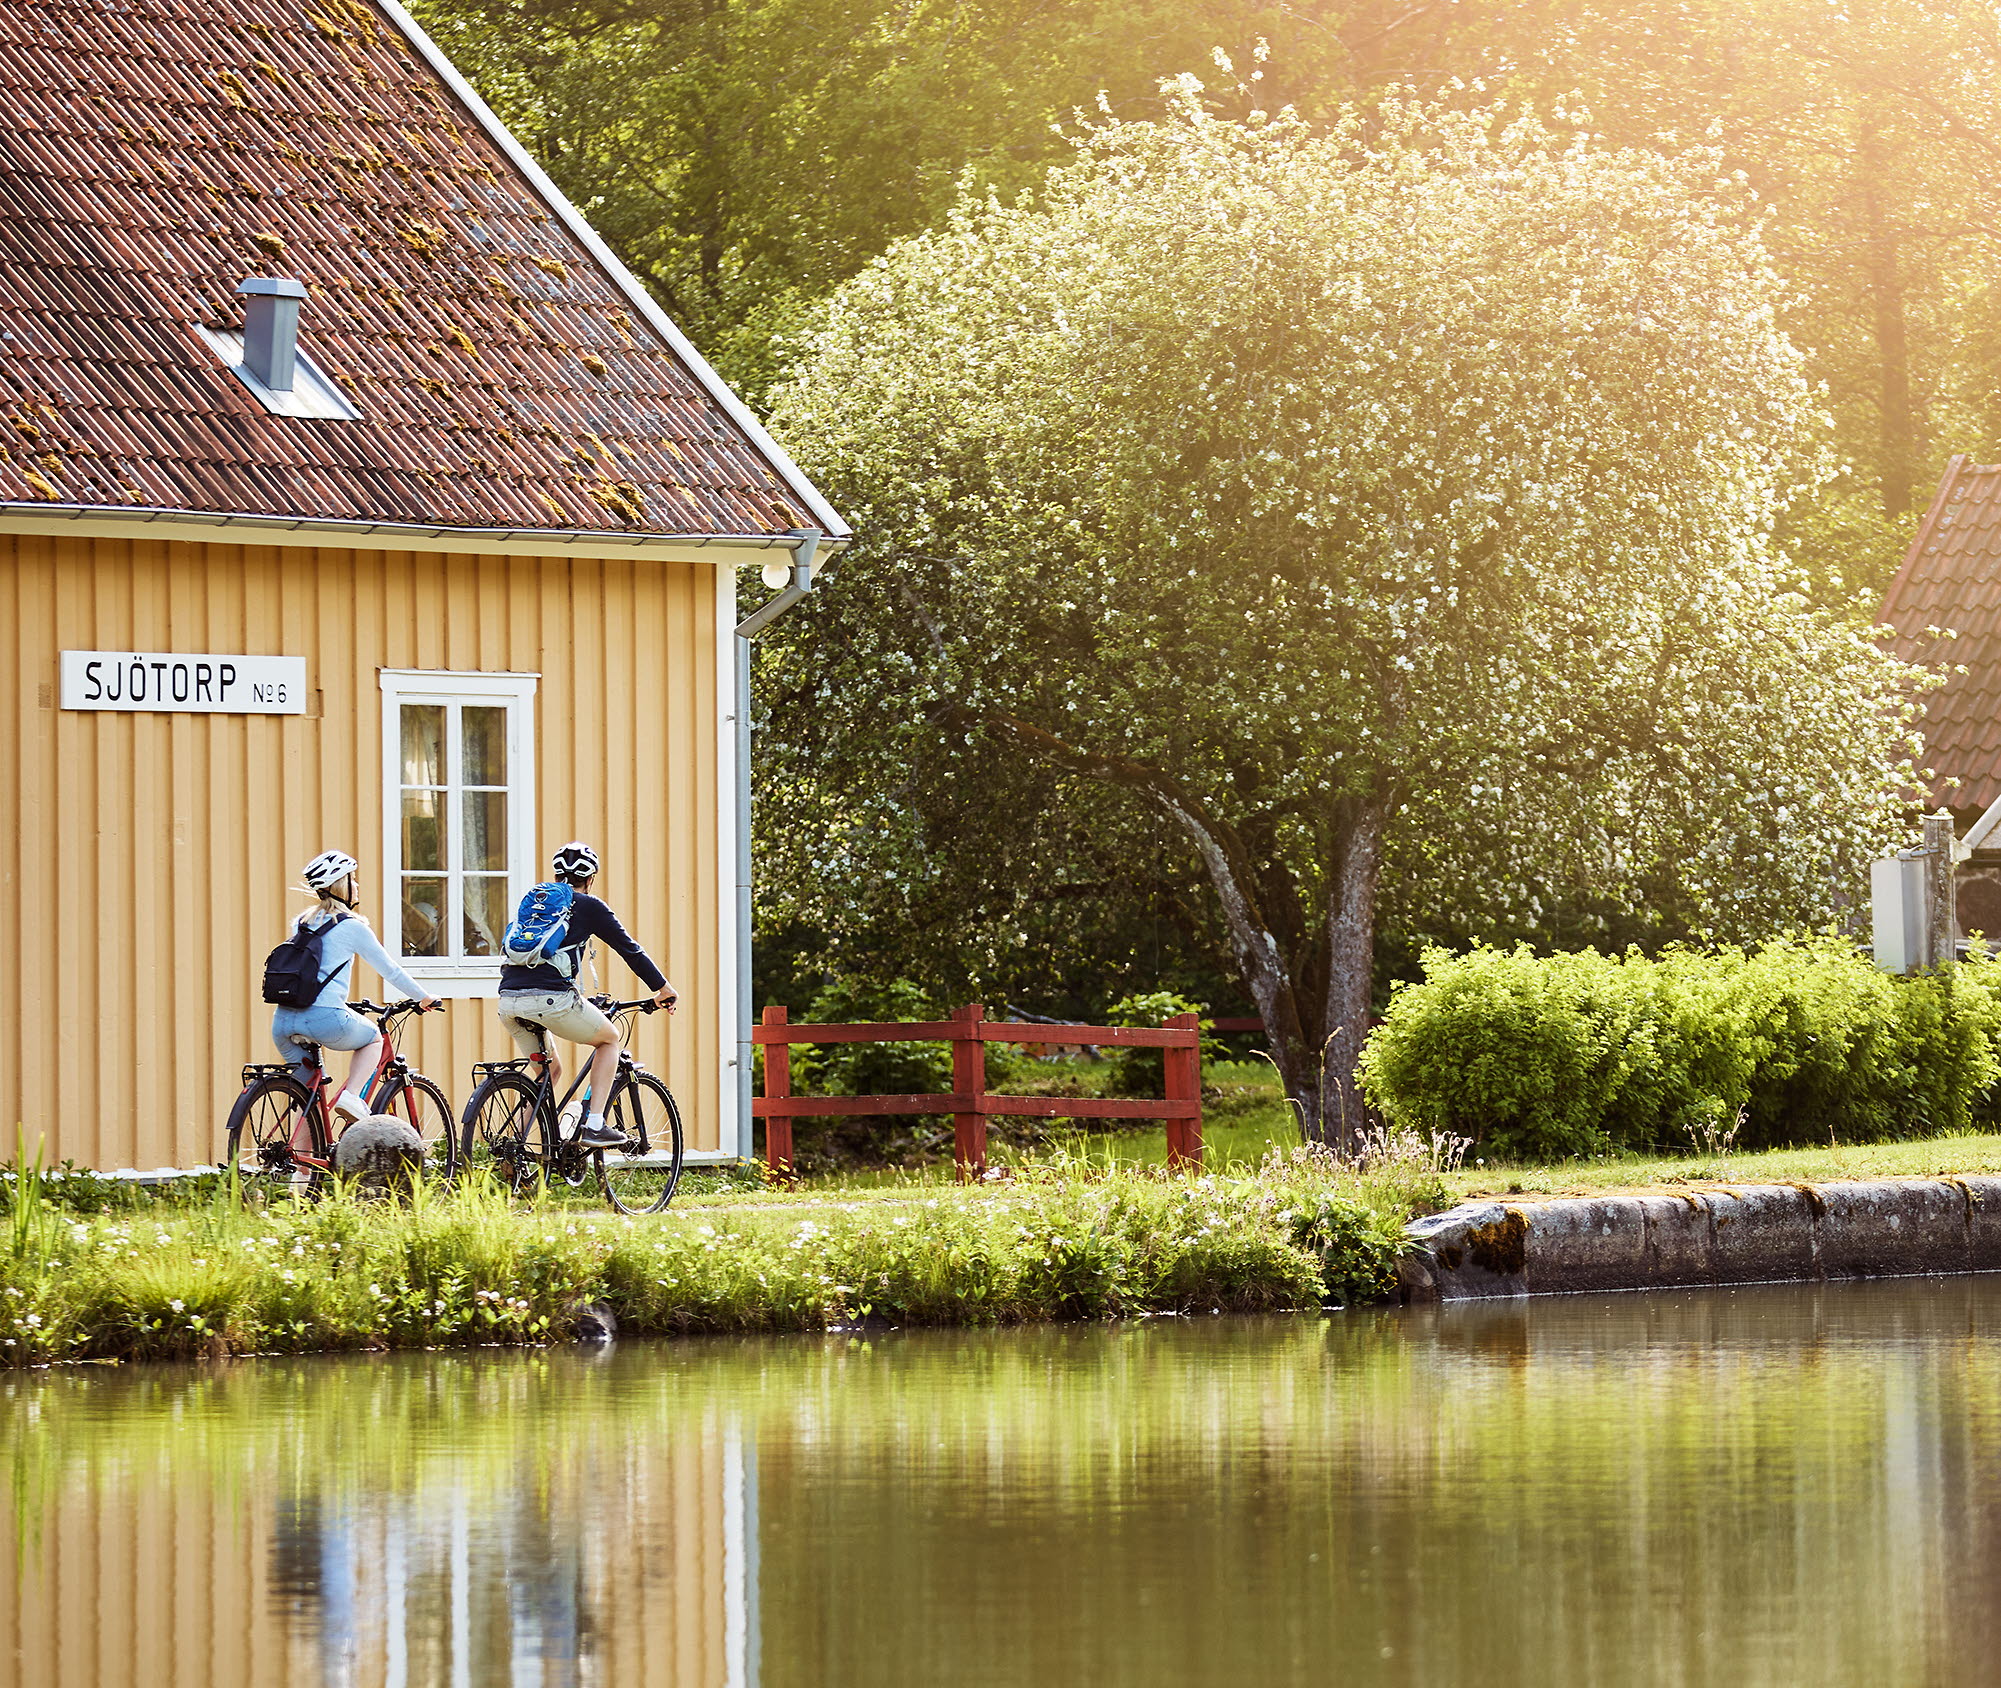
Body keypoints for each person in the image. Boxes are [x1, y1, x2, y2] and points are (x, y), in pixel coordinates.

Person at [496, 842, 677, 1149]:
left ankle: (516, 1147)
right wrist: (663, 988)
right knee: (609, 1039)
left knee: (549, 1072)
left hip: (508, 1001)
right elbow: (629, 949)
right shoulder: (590, 906)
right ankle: (594, 1124)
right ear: (590, 878)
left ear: (556, 875)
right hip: (551, 1000)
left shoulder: (537, 903)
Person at [274, 850, 440, 1120]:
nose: (358, 885)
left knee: (309, 1102)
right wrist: (424, 997)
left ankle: (302, 1161)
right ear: (341, 885)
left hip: (283, 1021)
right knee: (374, 1038)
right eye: (353, 879)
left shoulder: (301, 922)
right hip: (324, 1017)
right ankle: (350, 1097)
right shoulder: (353, 926)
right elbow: (391, 971)